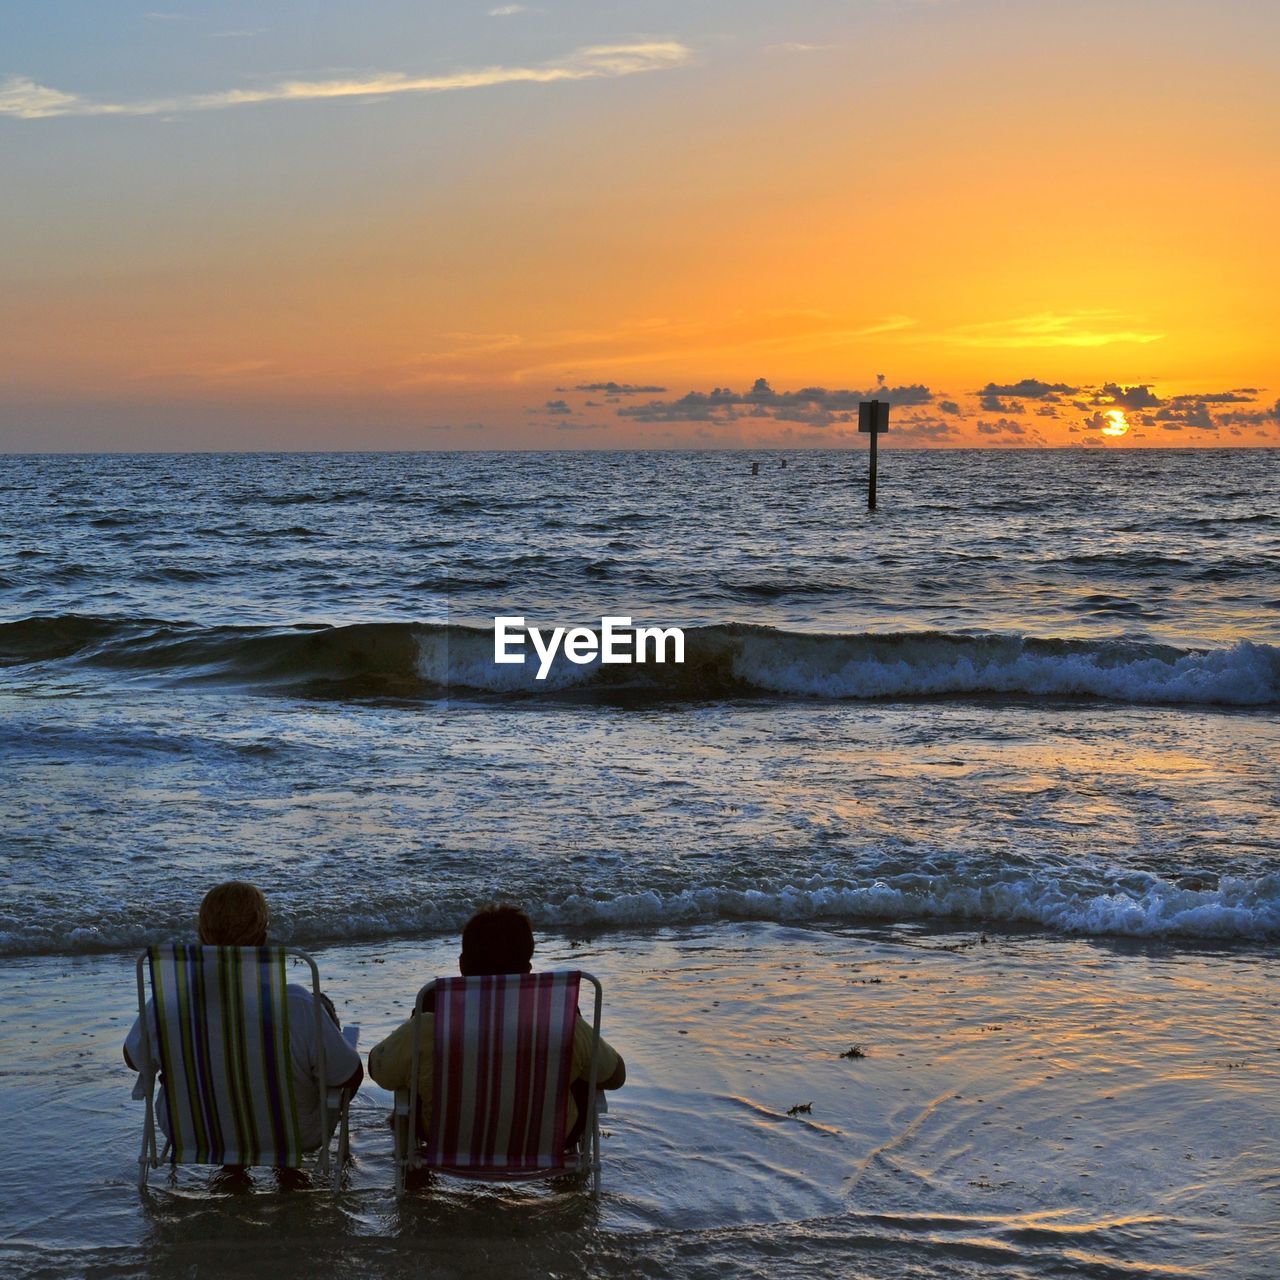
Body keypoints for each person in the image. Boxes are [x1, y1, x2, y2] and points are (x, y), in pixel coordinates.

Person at [123, 881, 364, 1162]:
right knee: (318, 1013)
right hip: (297, 1134)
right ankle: (285, 1167)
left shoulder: (169, 1004)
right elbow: (349, 1076)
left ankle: (231, 1166)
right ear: (262, 938)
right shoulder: (297, 1004)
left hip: (192, 1132)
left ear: (201, 935)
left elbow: (132, 1058)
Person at [369, 905, 625, 1147]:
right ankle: (569, 1182)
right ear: (527, 969)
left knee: (411, 1074)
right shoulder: (564, 1026)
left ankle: (417, 1184)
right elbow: (615, 1076)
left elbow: (380, 1072)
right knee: (584, 1071)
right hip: (549, 1140)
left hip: (446, 1139)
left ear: (462, 965)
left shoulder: (431, 1026)